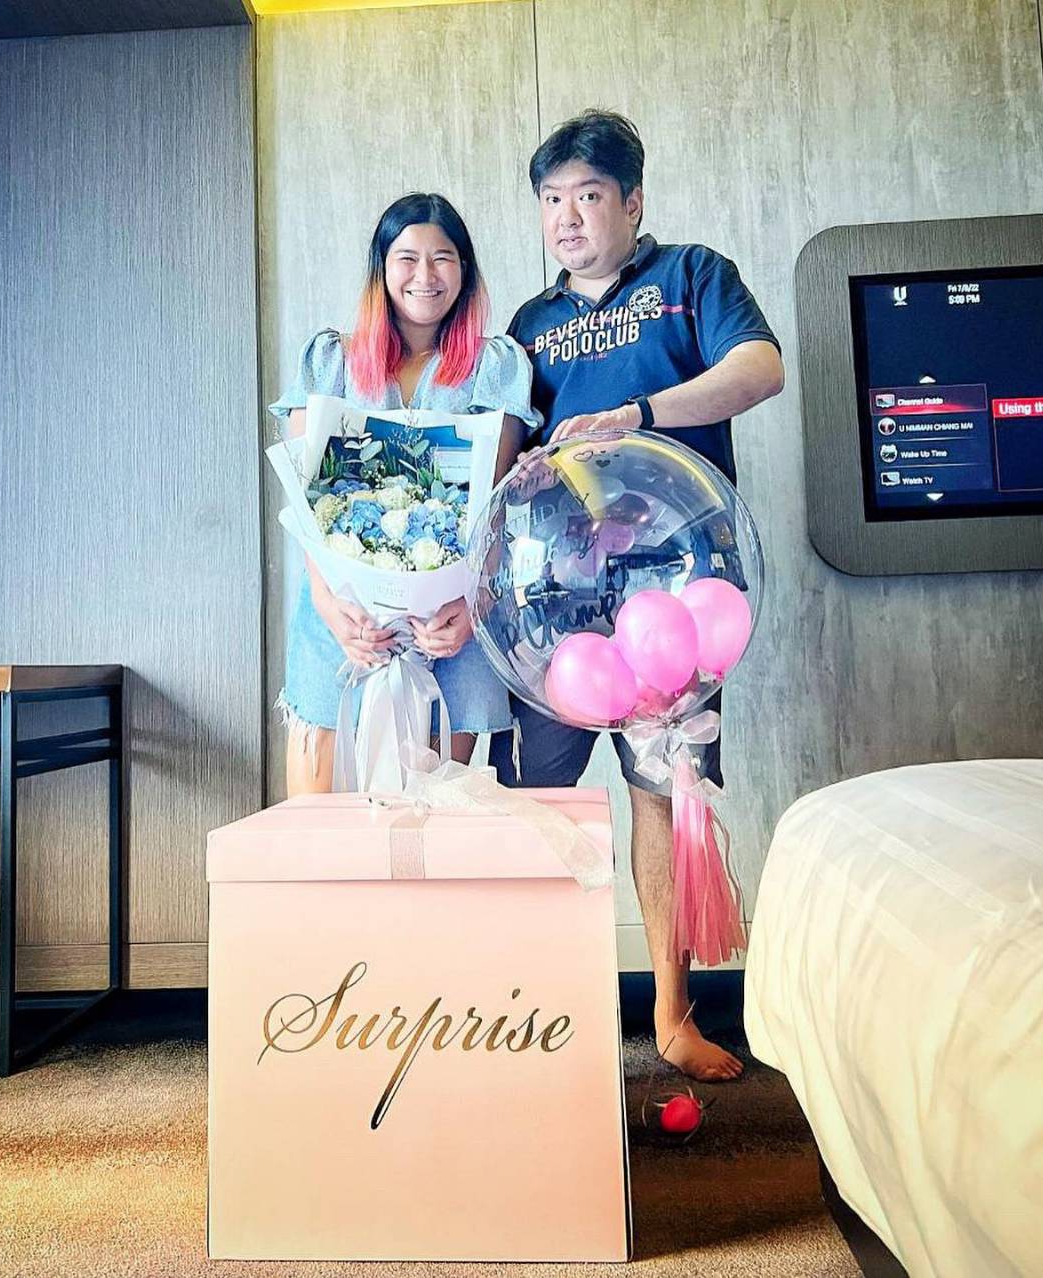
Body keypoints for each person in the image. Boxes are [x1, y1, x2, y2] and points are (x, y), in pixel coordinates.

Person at [489, 111, 785, 1082]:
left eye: (587, 196)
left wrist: (640, 415)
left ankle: (671, 1014)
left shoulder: (691, 278)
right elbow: (502, 450)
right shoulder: (529, 327)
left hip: (677, 595)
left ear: (632, 201)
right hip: (552, 611)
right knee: (537, 801)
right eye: (551, 200)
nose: (567, 218)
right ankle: (534, 1011)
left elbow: (760, 368)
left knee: (662, 796)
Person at [270, 193, 538, 795]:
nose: (425, 275)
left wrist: (469, 607)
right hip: (341, 619)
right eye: (407, 258)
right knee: (315, 822)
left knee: (429, 823)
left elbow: (499, 506)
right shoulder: (330, 360)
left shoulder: (495, 365)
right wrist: (331, 607)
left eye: (443, 258)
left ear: (464, 270)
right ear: (382, 267)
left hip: (447, 626)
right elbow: (305, 501)